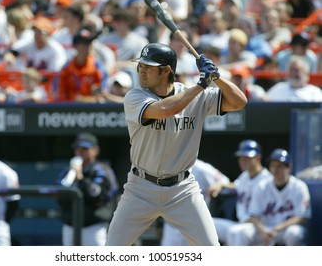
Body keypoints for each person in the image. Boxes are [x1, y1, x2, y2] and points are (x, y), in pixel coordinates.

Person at [105, 43, 247, 246]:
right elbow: (164, 110)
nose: (142, 70)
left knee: (211, 249)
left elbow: (239, 102)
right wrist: (201, 85)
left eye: (149, 66)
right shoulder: (135, 96)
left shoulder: (194, 94)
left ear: (166, 71)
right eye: (141, 66)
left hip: (182, 189)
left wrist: (217, 77)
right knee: (111, 251)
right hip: (141, 188)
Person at [227, 149, 312, 245]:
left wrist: (278, 228)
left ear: (289, 167)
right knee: (237, 231)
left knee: (294, 233)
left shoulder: (299, 187)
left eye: (279, 166)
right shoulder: (262, 186)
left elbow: (301, 217)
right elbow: (254, 216)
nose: (275, 170)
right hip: (265, 228)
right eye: (273, 166)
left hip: (286, 229)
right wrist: (263, 231)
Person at [56, 132, 119, 246]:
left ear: (95, 150)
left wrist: (80, 178)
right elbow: (59, 193)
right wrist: (72, 176)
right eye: (77, 149)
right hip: (70, 226)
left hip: (94, 227)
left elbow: (98, 197)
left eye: (84, 148)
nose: (80, 152)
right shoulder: (68, 171)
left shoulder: (101, 170)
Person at [208, 139, 272, 245]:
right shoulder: (245, 176)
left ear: (258, 157)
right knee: (207, 224)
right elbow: (234, 185)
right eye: (241, 158)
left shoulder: (267, 180)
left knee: (236, 232)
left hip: (258, 227)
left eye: (247, 158)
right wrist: (219, 184)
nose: (243, 161)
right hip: (241, 224)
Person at [160, 159, 230, 246]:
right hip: (172, 226)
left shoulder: (201, 168)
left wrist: (217, 185)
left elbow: (225, 180)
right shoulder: (166, 167)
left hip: (195, 223)